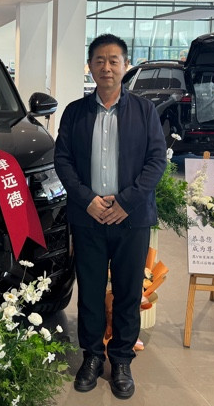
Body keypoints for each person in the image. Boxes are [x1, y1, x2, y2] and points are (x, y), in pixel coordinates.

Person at [54, 33, 166, 399]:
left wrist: (126, 202)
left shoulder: (145, 111)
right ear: (90, 66)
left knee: (128, 292)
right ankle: (91, 357)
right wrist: (86, 199)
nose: (107, 67)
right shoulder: (75, 112)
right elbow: (63, 161)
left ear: (125, 65)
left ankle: (120, 361)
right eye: (99, 60)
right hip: (88, 218)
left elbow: (156, 161)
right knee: (89, 291)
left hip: (130, 219)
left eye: (114, 60)